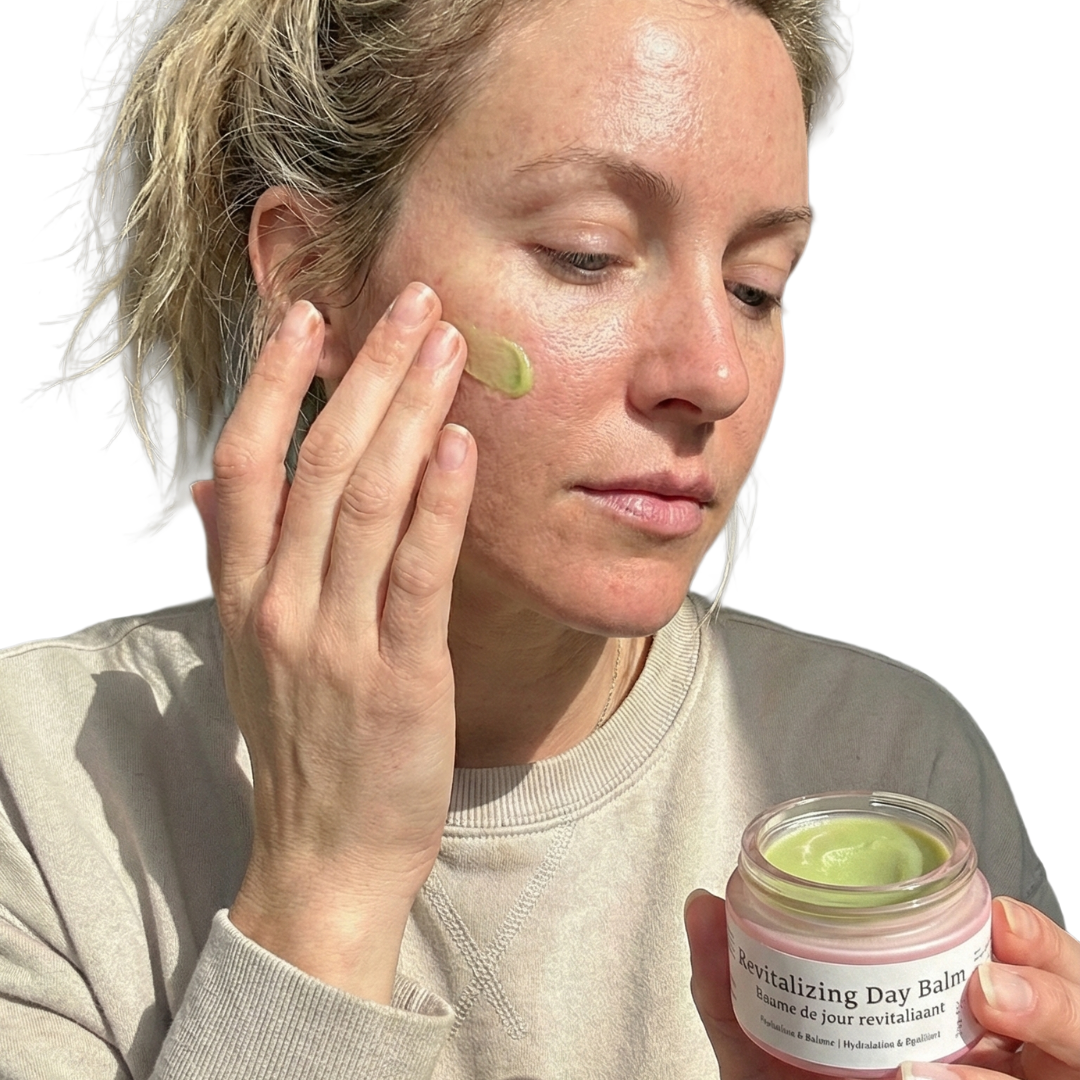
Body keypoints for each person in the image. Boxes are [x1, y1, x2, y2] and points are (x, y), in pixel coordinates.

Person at [2, 0, 1076, 1077]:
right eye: (587, 255)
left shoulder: (889, 763)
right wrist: (327, 882)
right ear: (311, 271)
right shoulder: (42, 792)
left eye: (757, 287)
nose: (715, 374)